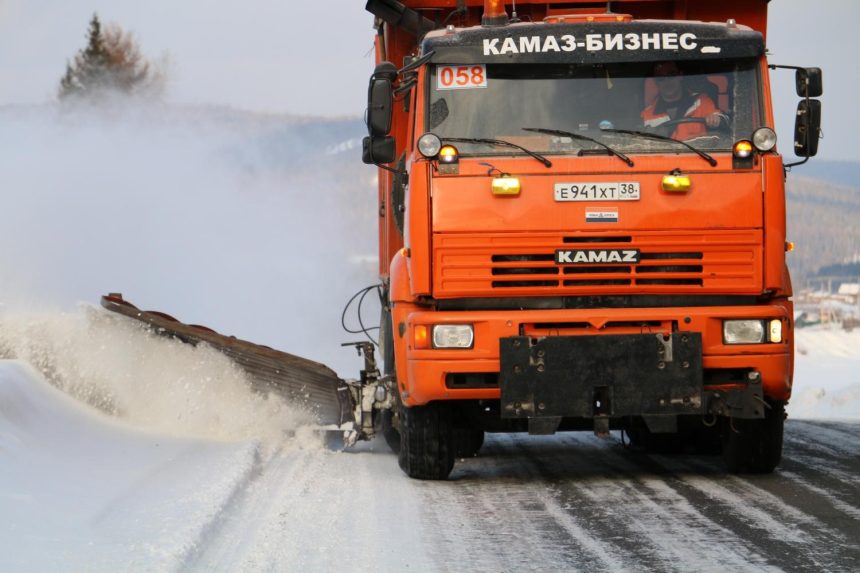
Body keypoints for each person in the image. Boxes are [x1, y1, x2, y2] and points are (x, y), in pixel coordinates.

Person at [641, 62, 727, 140]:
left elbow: (724, 120)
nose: (667, 81)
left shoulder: (702, 102)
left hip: (699, 155)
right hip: (663, 156)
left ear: (680, 76)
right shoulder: (647, 114)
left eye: (671, 75)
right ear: (655, 81)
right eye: (661, 78)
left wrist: (717, 119)